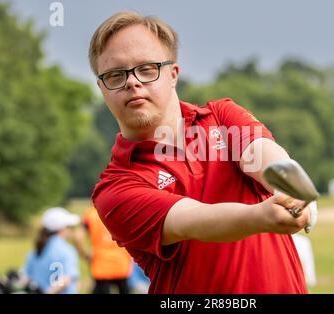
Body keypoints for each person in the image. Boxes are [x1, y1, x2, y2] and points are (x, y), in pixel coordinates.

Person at [90, 11, 316, 293]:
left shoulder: (221, 117)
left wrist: (291, 188)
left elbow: (262, 155)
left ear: (173, 74)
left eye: (147, 69)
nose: (132, 82)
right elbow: (194, 220)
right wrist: (261, 217)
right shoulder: (115, 188)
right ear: (102, 88)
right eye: (115, 75)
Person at [74, 207, 133, 294]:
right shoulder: (122, 211)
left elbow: (78, 237)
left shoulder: (91, 214)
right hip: (122, 262)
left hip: (101, 264)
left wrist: (85, 255)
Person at [22, 207, 80, 294]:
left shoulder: (37, 248)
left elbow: (26, 278)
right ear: (61, 228)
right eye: (69, 226)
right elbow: (65, 280)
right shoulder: (67, 250)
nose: (70, 229)